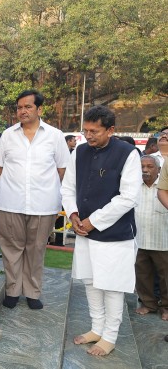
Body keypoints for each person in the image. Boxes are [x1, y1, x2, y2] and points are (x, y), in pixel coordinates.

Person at [61, 105, 142, 356]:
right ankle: (96, 328)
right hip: (83, 230)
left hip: (114, 233)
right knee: (91, 281)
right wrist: (73, 214)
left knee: (112, 285)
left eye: (94, 131)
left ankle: (110, 336)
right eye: (86, 131)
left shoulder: (128, 153)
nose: (89, 136)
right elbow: (67, 188)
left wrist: (94, 221)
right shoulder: (81, 151)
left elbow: (129, 197)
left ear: (111, 130)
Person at [0, 90, 70, 310]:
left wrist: (44, 187)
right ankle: (12, 291)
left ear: (39, 109)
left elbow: (62, 169)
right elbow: (0, 168)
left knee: (36, 249)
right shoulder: (8, 135)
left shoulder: (55, 136)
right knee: (11, 248)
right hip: (10, 202)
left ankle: (32, 292)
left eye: (27, 107)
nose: (22, 111)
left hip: (43, 204)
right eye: (19, 107)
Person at [134, 155, 168, 321]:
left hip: (162, 240)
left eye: (149, 166)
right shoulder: (133, 187)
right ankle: (148, 304)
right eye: (142, 166)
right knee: (142, 275)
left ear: (159, 170)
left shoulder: (164, 188)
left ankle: (166, 307)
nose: (145, 170)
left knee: (166, 277)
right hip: (139, 240)